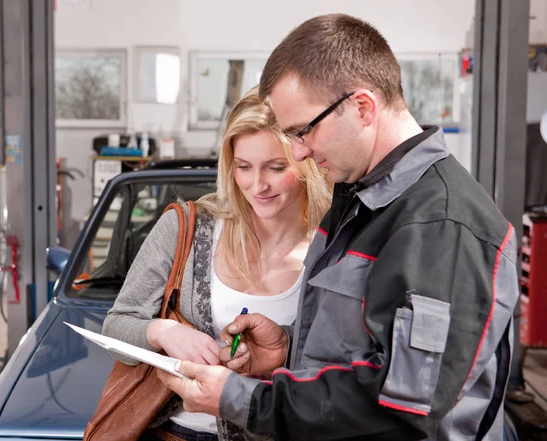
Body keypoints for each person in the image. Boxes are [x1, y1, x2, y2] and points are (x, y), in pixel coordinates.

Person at [156, 13, 520, 441]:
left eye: (303, 130)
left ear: (363, 107)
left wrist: (243, 399)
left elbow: (403, 403)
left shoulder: (440, 223)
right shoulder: (358, 201)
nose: (300, 151)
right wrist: (287, 348)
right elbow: (362, 347)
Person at [101, 86, 331, 441]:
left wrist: (278, 357)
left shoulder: (333, 246)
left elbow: (341, 368)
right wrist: (163, 332)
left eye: (276, 167)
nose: (257, 185)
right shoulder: (186, 229)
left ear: (306, 162)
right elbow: (116, 328)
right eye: (243, 167)